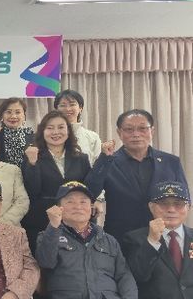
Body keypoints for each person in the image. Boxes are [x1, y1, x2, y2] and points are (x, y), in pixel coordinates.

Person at [35, 181, 153, 299]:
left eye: (83, 202)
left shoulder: (108, 240)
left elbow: (125, 277)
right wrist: (53, 227)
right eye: (70, 201)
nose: (78, 206)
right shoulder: (48, 235)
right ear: (58, 208)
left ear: (91, 208)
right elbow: (45, 262)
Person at [86, 109, 188, 242]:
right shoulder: (108, 162)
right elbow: (90, 192)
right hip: (122, 237)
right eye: (129, 129)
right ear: (119, 133)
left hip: (164, 235)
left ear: (152, 131)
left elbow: (185, 199)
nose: (136, 134)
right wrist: (104, 159)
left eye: (142, 128)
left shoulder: (171, 162)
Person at [124, 181, 193, 299]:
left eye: (178, 204)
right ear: (152, 207)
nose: (171, 209)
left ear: (188, 207)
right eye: (164, 204)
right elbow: (136, 276)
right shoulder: (135, 238)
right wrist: (152, 241)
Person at [21, 111, 91, 251]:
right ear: (42, 131)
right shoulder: (32, 156)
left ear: (68, 130)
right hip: (42, 221)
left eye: (61, 127)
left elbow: (87, 190)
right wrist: (32, 164)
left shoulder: (81, 158)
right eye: (50, 128)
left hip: (74, 220)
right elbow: (32, 191)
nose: (56, 132)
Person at [53, 90, 101, 165]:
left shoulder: (93, 137)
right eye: (63, 105)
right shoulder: (49, 136)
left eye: (72, 104)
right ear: (56, 110)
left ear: (80, 108)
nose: (68, 109)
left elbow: (98, 166)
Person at [0, 97, 34, 167]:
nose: (13, 116)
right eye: (8, 112)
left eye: (18, 112)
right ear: (2, 116)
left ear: (24, 116)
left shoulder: (34, 138)